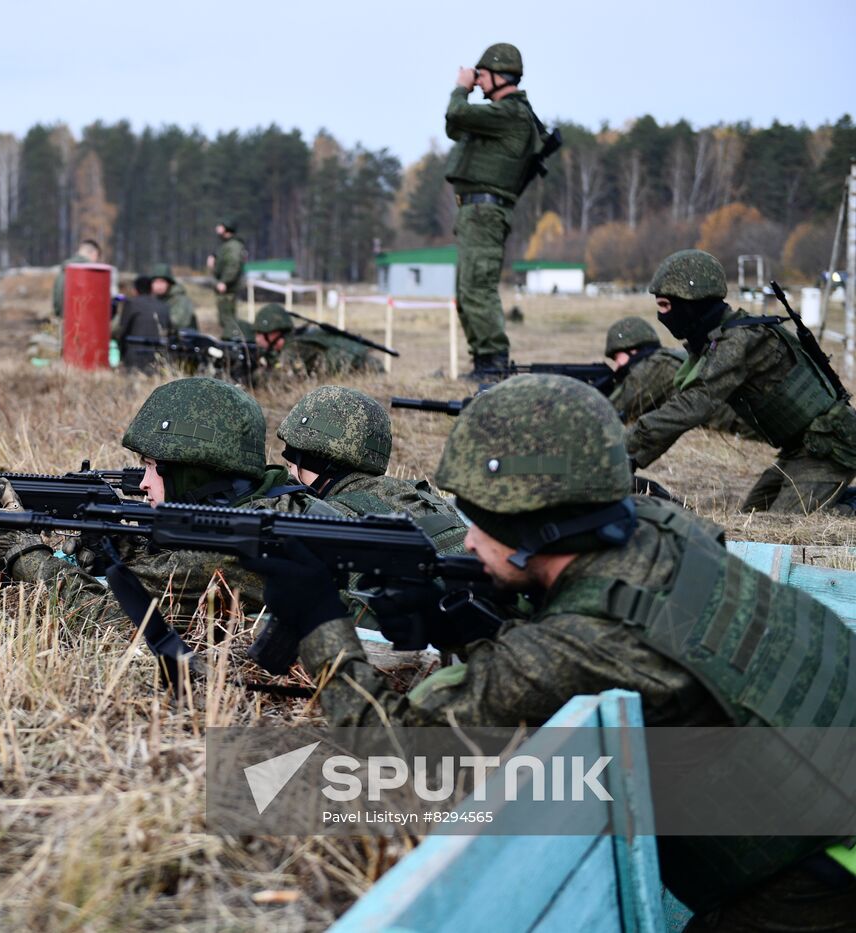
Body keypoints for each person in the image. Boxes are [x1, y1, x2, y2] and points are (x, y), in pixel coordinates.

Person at [246, 374, 856, 927]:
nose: (472, 536)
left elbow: (389, 751)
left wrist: (319, 622)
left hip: (817, 885)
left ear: (536, 527)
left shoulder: (584, 643)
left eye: (482, 518)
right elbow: (582, 617)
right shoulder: (662, 527)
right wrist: (456, 621)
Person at [0, 377, 333, 633]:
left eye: (150, 466)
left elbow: (104, 617)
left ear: (191, 474)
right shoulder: (269, 503)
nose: (144, 483)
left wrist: (22, 551)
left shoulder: (236, 541)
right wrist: (120, 546)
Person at [626, 249, 856, 512]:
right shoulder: (721, 337)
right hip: (800, 451)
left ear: (691, 304)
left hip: (829, 448)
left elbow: (693, 405)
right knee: (752, 517)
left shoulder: (739, 340)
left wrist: (623, 451)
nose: (662, 316)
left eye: (666, 306)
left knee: (779, 531)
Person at [444, 42, 541, 380]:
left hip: (486, 213)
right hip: (474, 212)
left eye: (482, 75)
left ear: (501, 76)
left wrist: (461, 87)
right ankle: (483, 362)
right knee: (466, 290)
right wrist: (466, 92)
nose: (477, 81)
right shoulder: (495, 117)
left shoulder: (511, 114)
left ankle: (494, 364)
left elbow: (456, 113)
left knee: (478, 287)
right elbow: (454, 126)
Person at [277, 386, 466, 553]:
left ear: (320, 463)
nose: (289, 476)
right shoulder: (422, 496)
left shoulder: (336, 519)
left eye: (290, 465)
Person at [604, 315, 751, 435]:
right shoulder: (668, 358)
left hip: (744, 425)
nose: (616, 366)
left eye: (617, 357)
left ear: (633, 351)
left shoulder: (654, 366)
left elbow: (608, 413)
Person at [252, 304, 371, 376]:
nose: (257, 338)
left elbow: (283, 383)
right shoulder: (295, 339)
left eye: (259, 333)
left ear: (273, 333)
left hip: (367, 369)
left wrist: (254, 375)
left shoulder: (294, 348)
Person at [110, 276, 172, 372]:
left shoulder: (131, 304)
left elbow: (121, 330)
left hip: (134, 358)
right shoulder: (164, 306)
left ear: (135, 290)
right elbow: (170, 330)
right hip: (158, 359)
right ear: (151, 289)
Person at [208, 221, 247, 339]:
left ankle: (232, 341)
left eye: (220, 226)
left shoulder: (233, 246)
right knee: (225, 318)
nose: (217, 229)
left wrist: (224, 281)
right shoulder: (227, 245)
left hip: (227, 288)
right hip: (225, 287)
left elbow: (233, 265)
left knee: (228, 318)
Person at [52, 238, 103, 320]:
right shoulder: (91, 272)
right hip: (84, 323)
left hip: (63, 322)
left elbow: (57, 303)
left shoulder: (64, 269)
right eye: (97, 257)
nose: (96, 261)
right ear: (94, 253)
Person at [148, 263, 199, 332]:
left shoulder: (181, 300)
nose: (158, 285)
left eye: (162, 282)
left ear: (169, 283)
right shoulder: (152, 300)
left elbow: (179, 322)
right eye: (156, 282)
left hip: (183, 339)